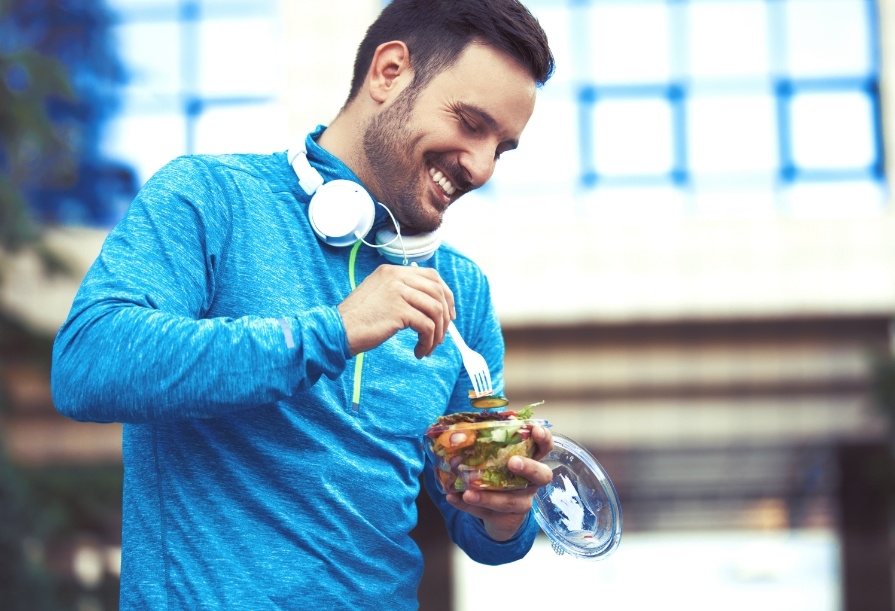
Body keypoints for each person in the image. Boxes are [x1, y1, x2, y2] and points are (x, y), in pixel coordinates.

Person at [50, 0, 556, 607]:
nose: (479, 166)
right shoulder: (210, 199)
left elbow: (481, 529)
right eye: (471, 124)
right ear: (388, 72)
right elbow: (87, 364)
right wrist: (333, 331)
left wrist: (504, 515)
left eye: (501, 148)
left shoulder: (462, 293)